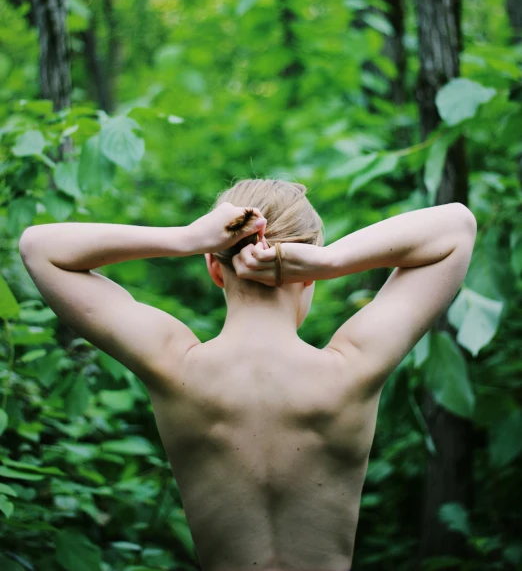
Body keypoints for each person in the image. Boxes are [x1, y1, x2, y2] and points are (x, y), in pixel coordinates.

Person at [18, 178, 477, 571]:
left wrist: (185, 237)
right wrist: (332, 259)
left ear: (213, 269)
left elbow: (40, 247)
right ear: (308, 271)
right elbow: (456, 225)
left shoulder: (175, 366)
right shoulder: (352, 368)